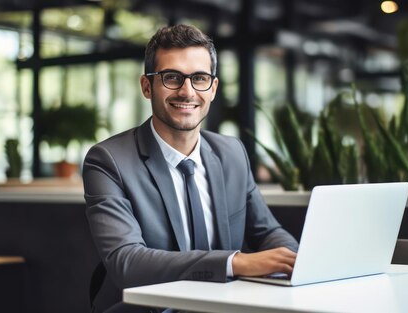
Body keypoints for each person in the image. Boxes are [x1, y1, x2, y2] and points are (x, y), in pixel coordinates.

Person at [83, 24, 299, 313]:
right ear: (147, 86)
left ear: (213, 88)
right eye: (172, 77)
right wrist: (234, 262)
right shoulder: (108, 160)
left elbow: (267, 232)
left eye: (199, 78)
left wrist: (297, 261)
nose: (187, 91)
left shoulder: (232, 153)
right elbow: (127, 262)